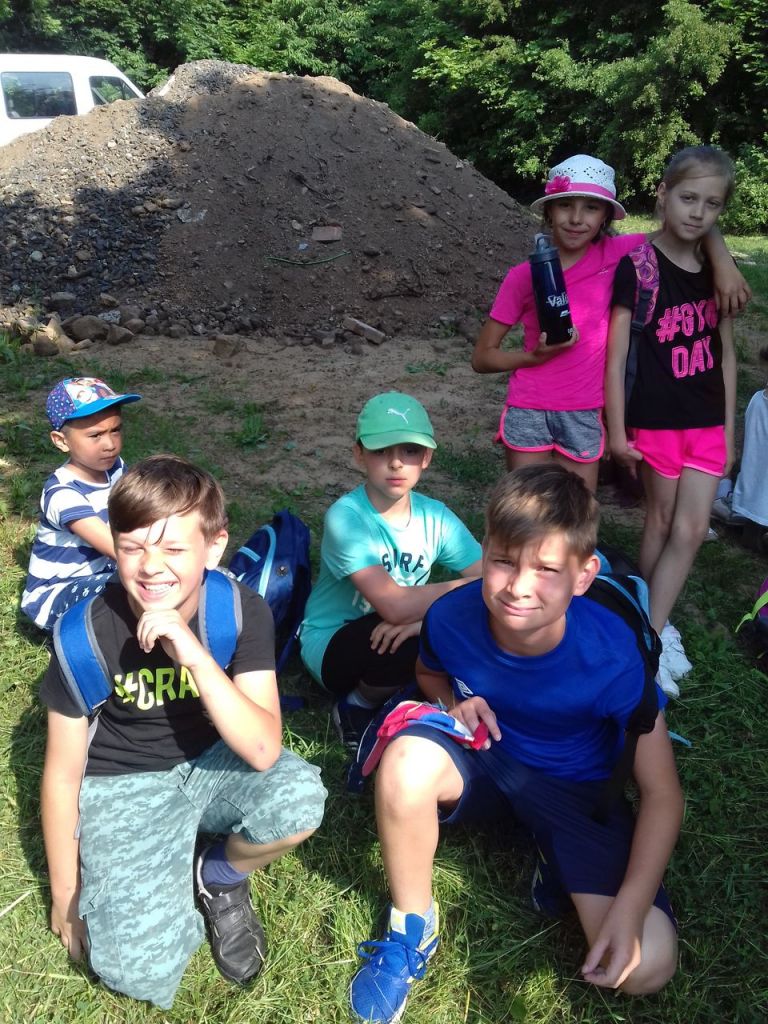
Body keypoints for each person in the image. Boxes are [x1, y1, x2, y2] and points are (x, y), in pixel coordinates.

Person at [348, 466, 682, 1024]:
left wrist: (629, 907)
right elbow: (430, 674)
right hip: (486, 754)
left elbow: (663, 794)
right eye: (503, 561)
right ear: (484, 552)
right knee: (406, 761)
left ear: (584, 575)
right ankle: (411, 926)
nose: (518, 586)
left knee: (647, 966)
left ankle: (554, 856)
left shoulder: (613, 656)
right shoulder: (452, 616)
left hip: (575, 790)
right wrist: (453, 703)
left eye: (546, 569)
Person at [40, 455, 326, 1009]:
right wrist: (65, 892)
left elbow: (263, 749)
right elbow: (62, 774)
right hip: (125, 782)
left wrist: (193, 655)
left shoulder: (238, 610)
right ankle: (161, 863)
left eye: (173, 549)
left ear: (214, 548)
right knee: (136, 972)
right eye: (133, 547)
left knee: (297, 799)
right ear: (115, 544)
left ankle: (218, 874)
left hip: (214, 760)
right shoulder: (84, 634)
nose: (152, 567)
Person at [472, 154, 750, 492]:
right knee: (524, 508)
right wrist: (533, 357)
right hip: (529, 407)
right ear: (548, 211)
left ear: (605, 215)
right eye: (565, 205)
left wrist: (723, 260)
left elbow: (686, 227)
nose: (576, 219)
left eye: (591, 207)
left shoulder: (620, 253)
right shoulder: (523, 276)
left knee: (577, 511)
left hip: (585, 410)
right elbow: (482, 357)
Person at [604, 146, 737, 651]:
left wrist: (729, 430)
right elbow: (616, 357)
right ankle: (640, 622)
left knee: (693, 527)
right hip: (657, 420)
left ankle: (652, 634)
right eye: (688, 198)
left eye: (712, 203)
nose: (698, 213)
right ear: (663, 194)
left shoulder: (717, 272)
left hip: (707, 419)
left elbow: (727, 354)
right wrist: (619, 432)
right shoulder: (638, 267)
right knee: (661, 520)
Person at [299, 391, 482, 753]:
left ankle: (416, 690)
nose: (396, 463)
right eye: (381, 451)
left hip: (403, 626)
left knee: (477, 622)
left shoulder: (435, 517)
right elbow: (395, 606)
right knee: (417, 640)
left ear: (426, 457)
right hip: (334, 641)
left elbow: (496, 580)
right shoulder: (346, 517)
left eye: (409, 451)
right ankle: (356, 704)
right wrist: (453, 599)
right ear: (359, 455)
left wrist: (423, 621)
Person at [21, 376, 141, 631]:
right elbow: (117, 548)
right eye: (95, 435)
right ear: (61, 441)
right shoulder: (62, 493)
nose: (110, 444)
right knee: (140, 583)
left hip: (104, 575)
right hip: (57, 595)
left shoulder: (116, 469)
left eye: (115, 430)